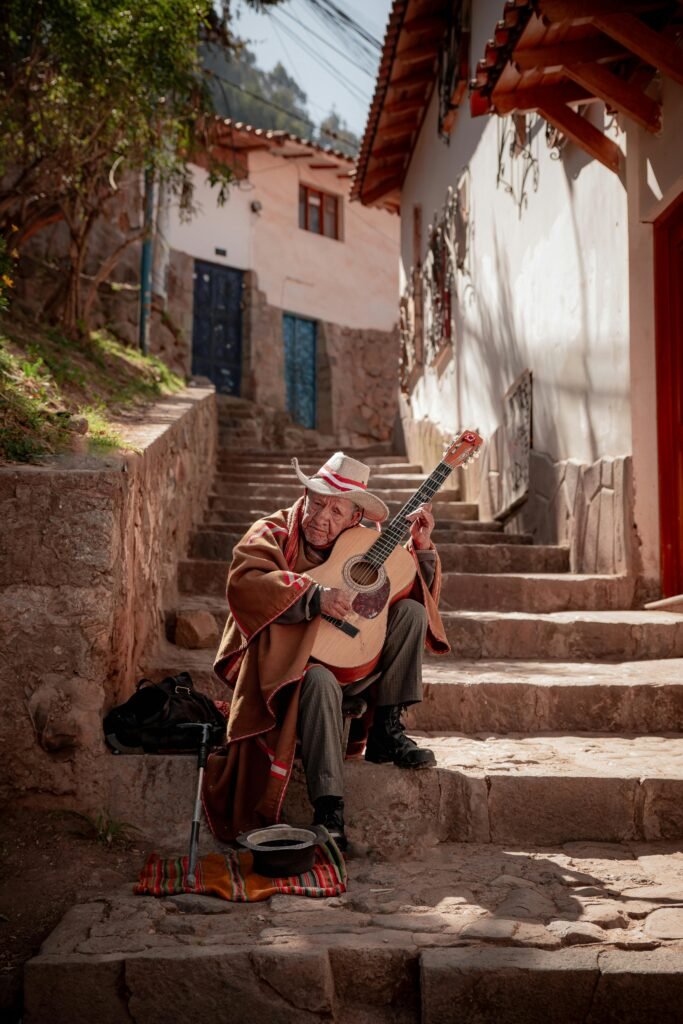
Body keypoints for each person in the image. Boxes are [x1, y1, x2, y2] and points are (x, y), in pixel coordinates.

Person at [203, 452, 449, 851]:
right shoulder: (272, 531)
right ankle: (329, 810)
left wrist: (420, 549)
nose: (322, 518)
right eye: (317, 503)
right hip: (286, 677)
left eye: (337, 511)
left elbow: (407, 586)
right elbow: (245, 581)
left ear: (355, 518)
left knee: (411, 612)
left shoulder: (364, 542)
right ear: (305, 493)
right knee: (317, 680)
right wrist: (314, 596)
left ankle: (387, 732)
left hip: (356, 666)